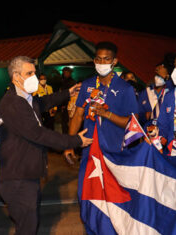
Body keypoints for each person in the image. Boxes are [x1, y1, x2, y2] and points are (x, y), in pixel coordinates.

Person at [0, 56, 93, 235]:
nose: (34, 77)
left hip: (26, 174)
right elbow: (38, 134)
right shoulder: (13, 103)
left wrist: (66, 94)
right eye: (29, 73)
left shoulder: (24, 97)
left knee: (29, 224)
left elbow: (41, 103)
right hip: (18, 179)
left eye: (34, 72)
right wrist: (74, 141)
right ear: (16, 76)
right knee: (27, 228)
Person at [63, 41, 139, 232]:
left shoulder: (125, 88)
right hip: (90, 154)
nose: (101, 62)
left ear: (115, 61)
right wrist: (70, 143)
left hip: (115, 156)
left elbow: (134, 125)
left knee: (114, 204)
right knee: (88, 199)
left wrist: (108, 115)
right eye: (98, 58)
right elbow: (78, 115)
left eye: (106, 59)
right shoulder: (88, 85)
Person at [138, 53, 176, 126]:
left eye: (162, 76)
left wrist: (166, 77)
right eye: (157, 75)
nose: (159, 78)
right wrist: (145, 115)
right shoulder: (145, 92)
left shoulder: (170, 90)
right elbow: (137, 115)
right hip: (148, 129)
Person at [60, 67, 77, 134]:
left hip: (70, 105)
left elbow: (72, 95)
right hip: (64, 106)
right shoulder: (62, 81)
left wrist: (66, 105)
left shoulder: (72, 82)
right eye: (64, 72)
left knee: (70, 122)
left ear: (70, 73)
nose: (65, 74)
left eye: (67, 72)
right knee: (64, 124)